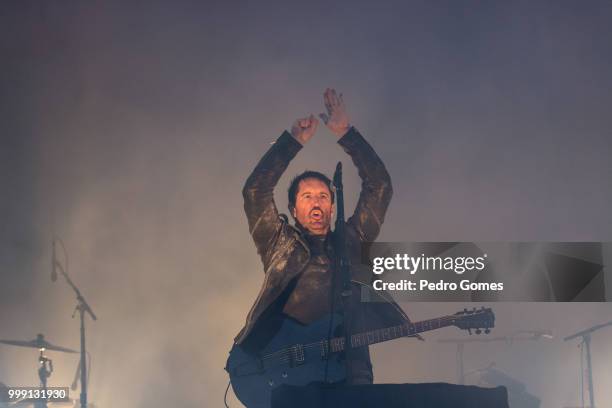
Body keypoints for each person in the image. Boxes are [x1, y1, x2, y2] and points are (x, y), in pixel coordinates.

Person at [234, 88, 410, 384]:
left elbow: (380, 186)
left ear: (332, 205)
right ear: (293, 207)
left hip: (349, 367)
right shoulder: (279, 242)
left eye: (323, 196)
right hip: (290, 368)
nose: (316, 202)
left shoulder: (353, 239)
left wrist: (346, 133)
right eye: (307, 196)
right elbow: (255, 192)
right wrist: (290, 143)